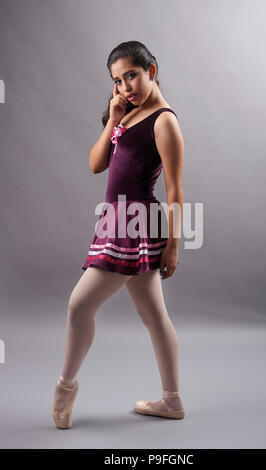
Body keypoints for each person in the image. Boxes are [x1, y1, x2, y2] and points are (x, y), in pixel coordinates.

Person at [52, 40, 185, 429]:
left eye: (132, 75)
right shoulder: (124, 114)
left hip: (137, 224)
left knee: (79, 306)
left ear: (152, 71)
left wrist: (173, 246)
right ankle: (172, 400)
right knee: (154, 315)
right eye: (118, 80)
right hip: (116, 221)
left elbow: (175, 189)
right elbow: (96, 164)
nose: (126, 86)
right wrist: (112, 119)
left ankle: (65, 385)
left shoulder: (163, 121)